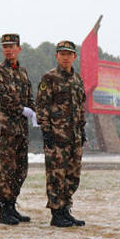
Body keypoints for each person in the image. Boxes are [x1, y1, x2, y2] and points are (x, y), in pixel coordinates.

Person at [35, 40, 87, 228]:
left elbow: (81, 106)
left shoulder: (77, 79)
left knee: (72, 175)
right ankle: (56, 214)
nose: (65, 57)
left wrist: (82, 128)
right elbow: (41, 106)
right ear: (57, 56)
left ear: (74, 57)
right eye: (62, 54)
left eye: (69, 54)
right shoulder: (49, 78)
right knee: (56, 175)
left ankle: (66, 210)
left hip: (74, 136)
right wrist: (46, 131)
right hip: (57, 136)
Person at [0, 33, 37, 225]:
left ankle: (12, 204)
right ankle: (4, 209)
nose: (8, 50)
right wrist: (21, 109)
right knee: (6, 170)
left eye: (12, 46)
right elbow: (0, 96)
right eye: (5, 46)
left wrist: (33, 110)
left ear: (19, 48)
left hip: (21, 130)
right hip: (5, 130)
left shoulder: (23, 72)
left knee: (20, 170)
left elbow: (29, 96)